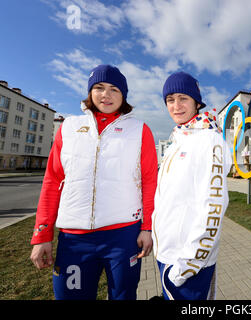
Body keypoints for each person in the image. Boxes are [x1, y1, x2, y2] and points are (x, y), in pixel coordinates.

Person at [29, 64, 158, 300]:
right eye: (99, 87)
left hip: (123, 237)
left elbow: (150, 182)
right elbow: (52, 181)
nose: (106, 94)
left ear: (124, 95)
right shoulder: (69, 127)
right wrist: (42, 234)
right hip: (74, 239)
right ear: (90, 92)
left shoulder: (140, 130)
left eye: (114, 89)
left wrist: (147, 228)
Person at [152, 71, 232, 300]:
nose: (176, 106)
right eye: (170, 100)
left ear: (197, 102)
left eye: (183, 98)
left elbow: (213, 207)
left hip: (188, 264)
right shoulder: (178, 139)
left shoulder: (210, 139)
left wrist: (186, 267)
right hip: (167, 257)